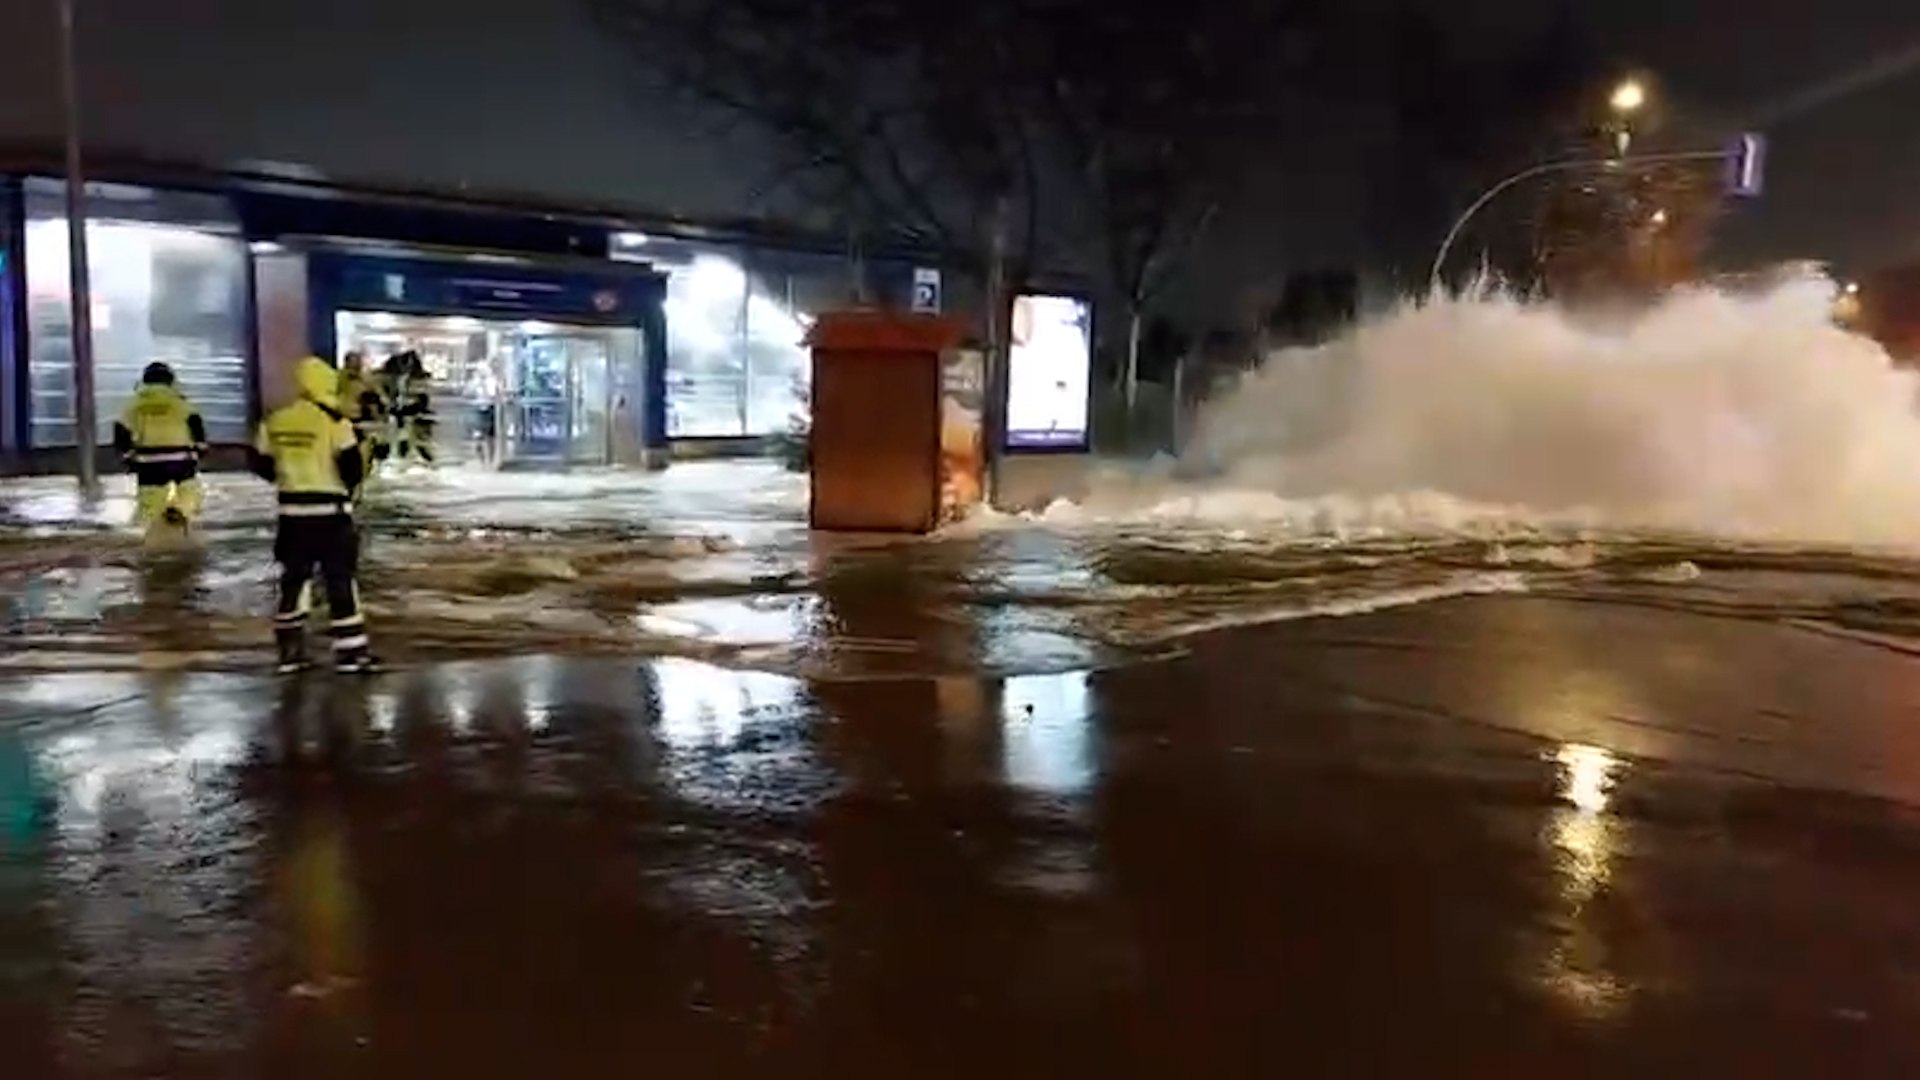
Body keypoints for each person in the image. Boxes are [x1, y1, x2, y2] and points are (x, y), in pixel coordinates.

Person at [250, 356, 376, 674]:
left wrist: (292, 476)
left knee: (294, 581)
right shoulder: (335, 422)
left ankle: (290, 652)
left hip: (292, 514)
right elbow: (352, 469)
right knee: (340, 582)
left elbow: (261, 465)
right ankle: (351, 654)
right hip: (331, 514)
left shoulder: (276, 420)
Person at [112, 362, 207, 532]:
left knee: (150, 500)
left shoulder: (133, 404)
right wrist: (201, 448)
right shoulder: (180, 402)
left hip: (148, 460)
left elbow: (121, 431)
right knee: (188, 491)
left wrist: (126, 455)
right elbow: (196, 425)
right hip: (181, 458)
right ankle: (181, 512)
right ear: (170, 381)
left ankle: (155, 536)